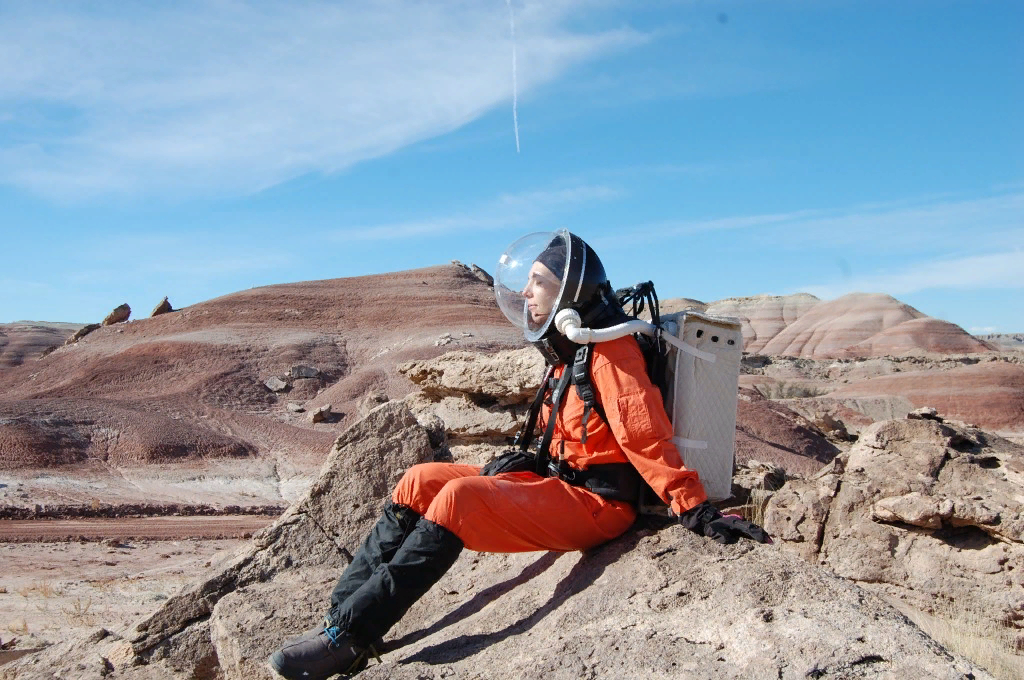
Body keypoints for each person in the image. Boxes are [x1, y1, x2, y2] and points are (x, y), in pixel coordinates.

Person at [269, 230, 769, 680]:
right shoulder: (572, 347)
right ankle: (343, 618)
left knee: (461, 498)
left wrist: (695, 508)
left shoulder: (612, 350)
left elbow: (644, 437)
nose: (527, 293)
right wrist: (531, 461)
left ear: (569, 293)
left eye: (538, 283)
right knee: (420, 481)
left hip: (599, 505)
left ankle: (349, 641)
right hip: (559, 483)